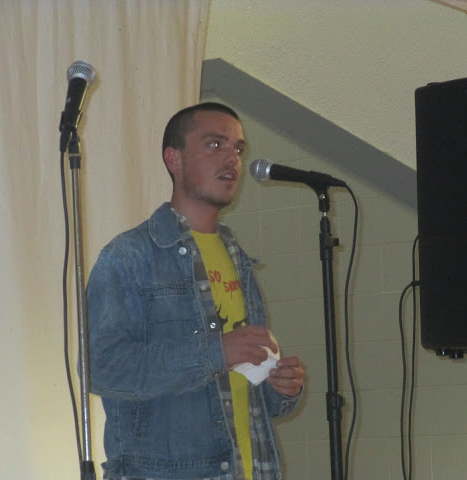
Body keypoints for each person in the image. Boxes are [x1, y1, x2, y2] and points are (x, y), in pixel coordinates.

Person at [87, 102, 305, 480]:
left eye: (238, 148)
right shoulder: (128, 256)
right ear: (174, 159)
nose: (232, 159)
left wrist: (280, 388)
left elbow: (241, 395)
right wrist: (215, 352)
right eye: (214, 145)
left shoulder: (238, 258)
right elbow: (101, 369)